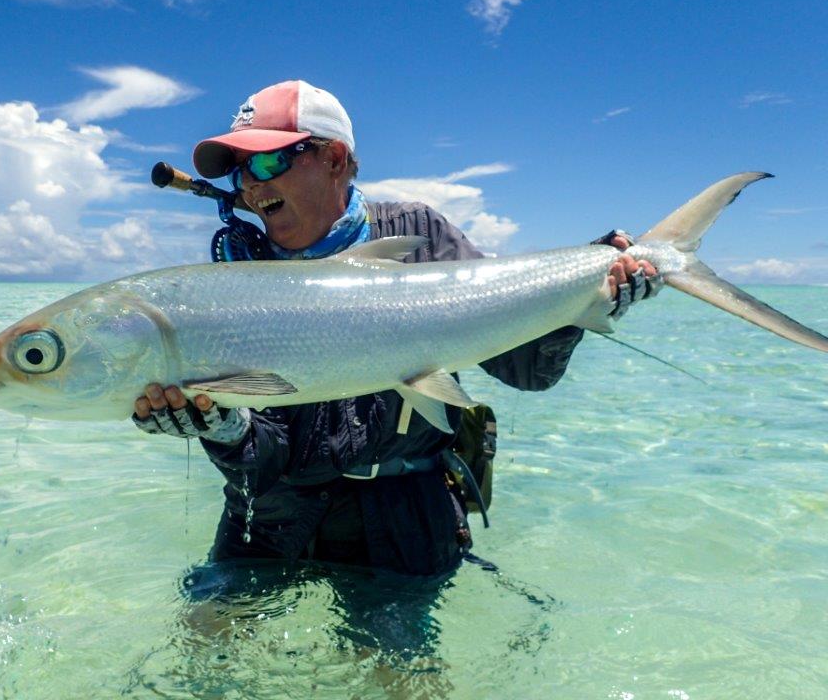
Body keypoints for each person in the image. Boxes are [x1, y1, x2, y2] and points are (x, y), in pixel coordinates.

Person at [132, 80, 659, 577]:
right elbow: (267, 449)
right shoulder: (240, 269)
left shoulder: (417, 236)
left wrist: (587, 296)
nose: (250, 183)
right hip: (273, 516)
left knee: (405, 676)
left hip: (406, 512)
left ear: (334, 159)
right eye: (239, 169)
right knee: (206, 656)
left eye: (268, 160)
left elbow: (524, 369)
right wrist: (220, 426)